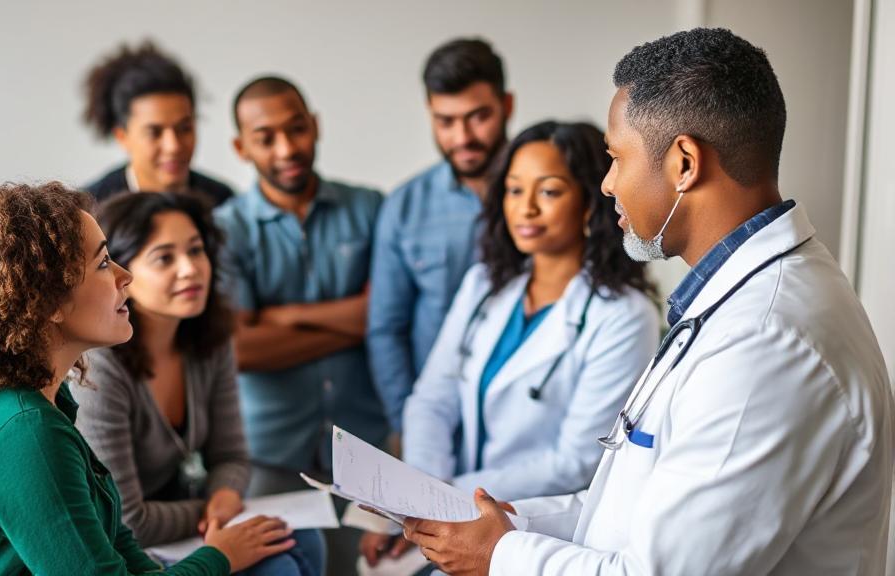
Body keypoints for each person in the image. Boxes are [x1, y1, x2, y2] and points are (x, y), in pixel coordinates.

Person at [402, 28, 895, 576]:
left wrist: (500, 555)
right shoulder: (735, 303)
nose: (607, 184)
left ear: (684, 163)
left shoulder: (766, 340)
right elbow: (627, 511)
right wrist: (512, 522)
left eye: (616, 158)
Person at [0, 183, 294, 575]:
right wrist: (218, 557)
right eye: (102, 263)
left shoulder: (34, 405)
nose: (124, 275)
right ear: (48, 301)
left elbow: (117, 545)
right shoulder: (23, 431)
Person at [360, 121, 660, 568]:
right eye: (515, 191)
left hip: (537, 533)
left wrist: (446, 499)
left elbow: (575, 460)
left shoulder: (623, 315)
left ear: (587, 205)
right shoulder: (485, 285)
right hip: (454, 504)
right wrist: (420, 496)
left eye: (550, 192)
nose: (527, 209)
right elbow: (431, 399)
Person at [71, 192, 324, 575]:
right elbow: (126, 520)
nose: (191, 269)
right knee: (279, 567)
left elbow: (233, 456)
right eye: (165, 258)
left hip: (184, 520)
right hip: (123, 542)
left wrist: (225, 494)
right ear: (122, 272)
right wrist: (208, 512)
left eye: (196, 250)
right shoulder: (101, 367)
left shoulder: (209, 340)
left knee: (303, 539)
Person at [215, 76, 388, 575]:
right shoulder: (226, 229)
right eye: (266, 137)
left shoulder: (370, 209)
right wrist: (351, 320)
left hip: (365, 446)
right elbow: (242, 348)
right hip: (268, 452)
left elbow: (380, 317)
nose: (287, 148)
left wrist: (285, 317)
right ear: (241, 147)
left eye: (297, 129)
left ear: (315, 126)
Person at [368, 38, 513, 446]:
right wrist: (408, 425)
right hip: (436, 425)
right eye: (445, 121)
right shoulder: (404, 206)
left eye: (478, 117)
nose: (462, 137)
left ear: (508, 105)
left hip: (529, 425)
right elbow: (386, 329)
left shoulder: (554, 191)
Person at [82, 40, 233, 206]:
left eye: (184, 128)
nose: (173, 146)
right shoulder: (91, 210)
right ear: (122, 137)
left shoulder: (222, 202)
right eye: (154, 132)